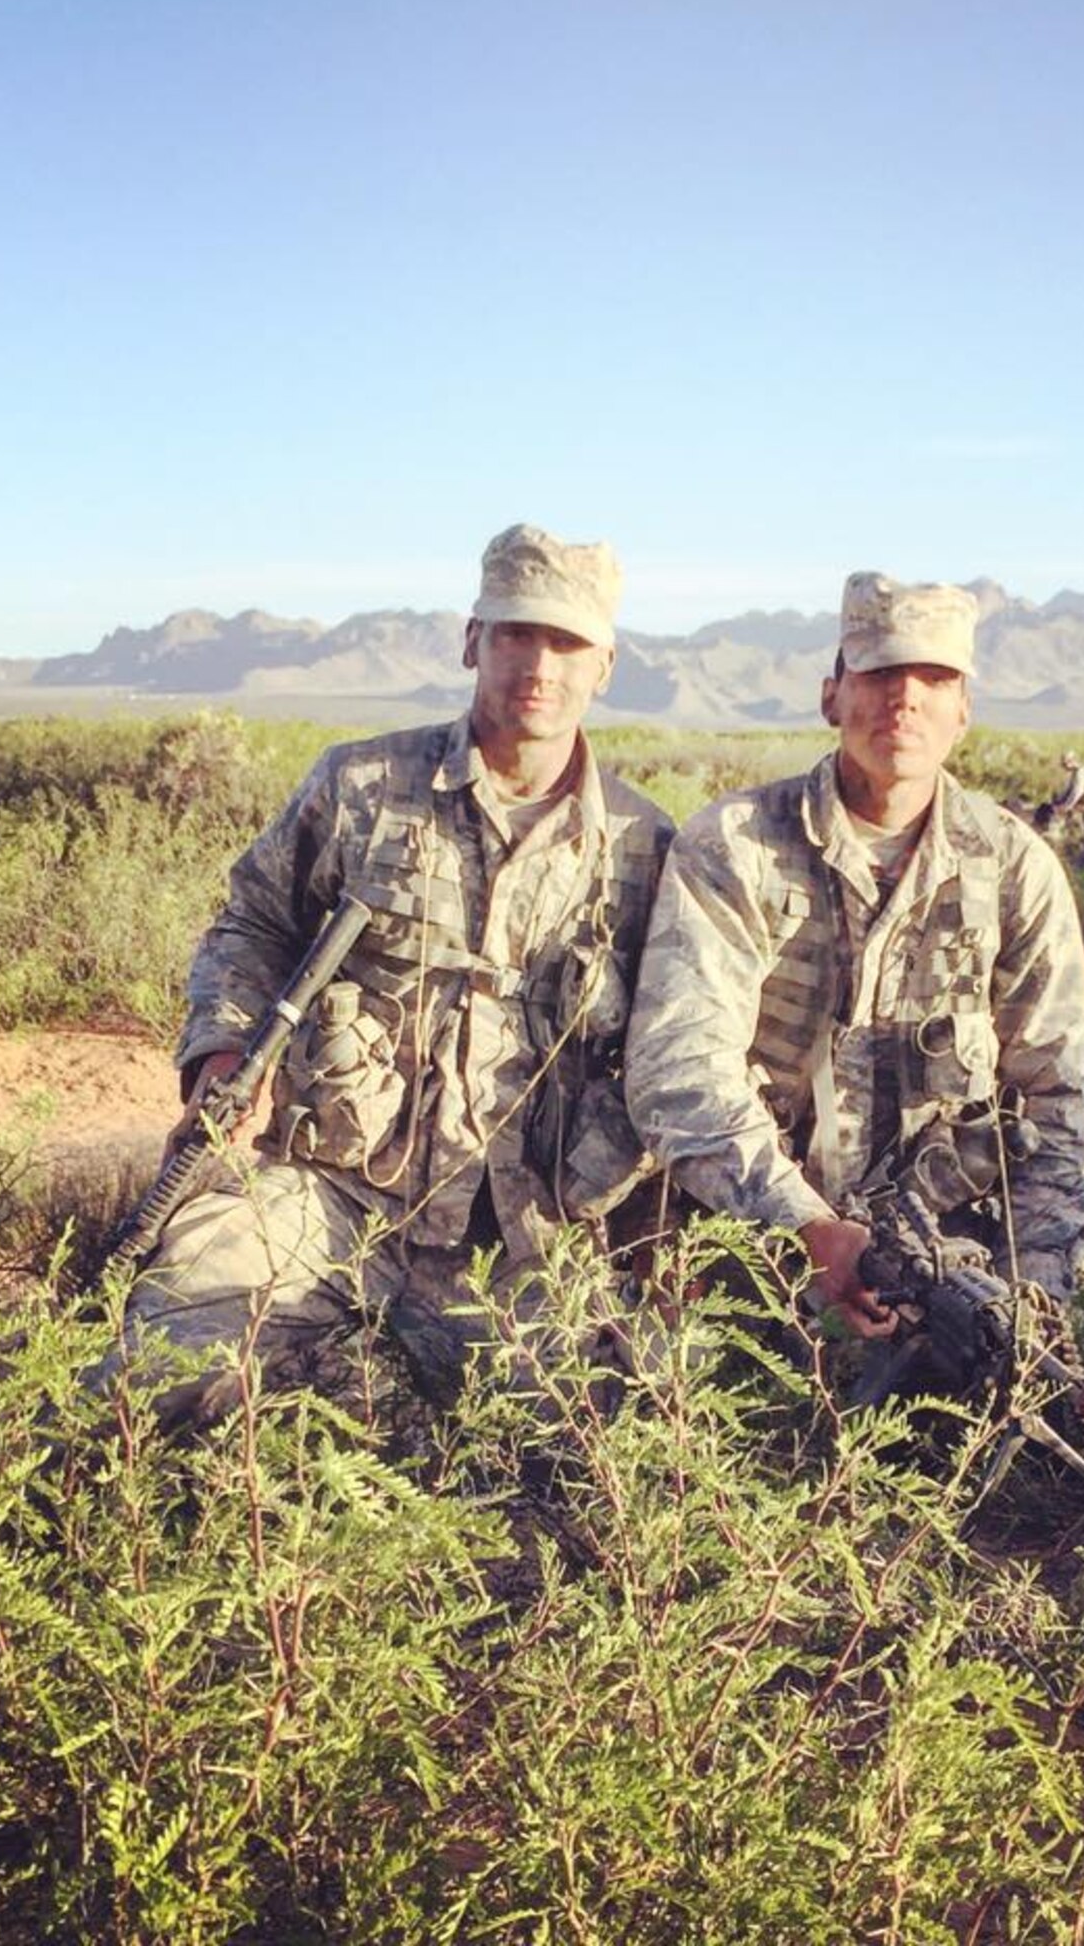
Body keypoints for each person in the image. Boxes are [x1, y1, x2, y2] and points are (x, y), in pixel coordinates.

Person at [123, 523, 673, 1418]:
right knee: (160, 1369)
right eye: (514, 635)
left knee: (591, 1452)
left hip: (523, 1239)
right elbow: (253, 922)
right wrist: (223, 1055)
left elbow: (679, 1049)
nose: (539, 664)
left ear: (604, 666)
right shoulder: (361, 785)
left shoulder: (645, 848)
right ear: (471, 643)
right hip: (332, 1194)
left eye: (567, 643)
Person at [623, 570, 1084, 1349]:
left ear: (963, 710)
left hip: (946, 1269)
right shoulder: (735, 846)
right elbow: (680, 1072)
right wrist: (806, 1226)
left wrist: (1032, 1312)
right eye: (878, 673)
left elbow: (1055, 1107)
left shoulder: (1015, 868)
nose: (903, 699)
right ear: (832, 695)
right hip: (749, 1253)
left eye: (934, 678)